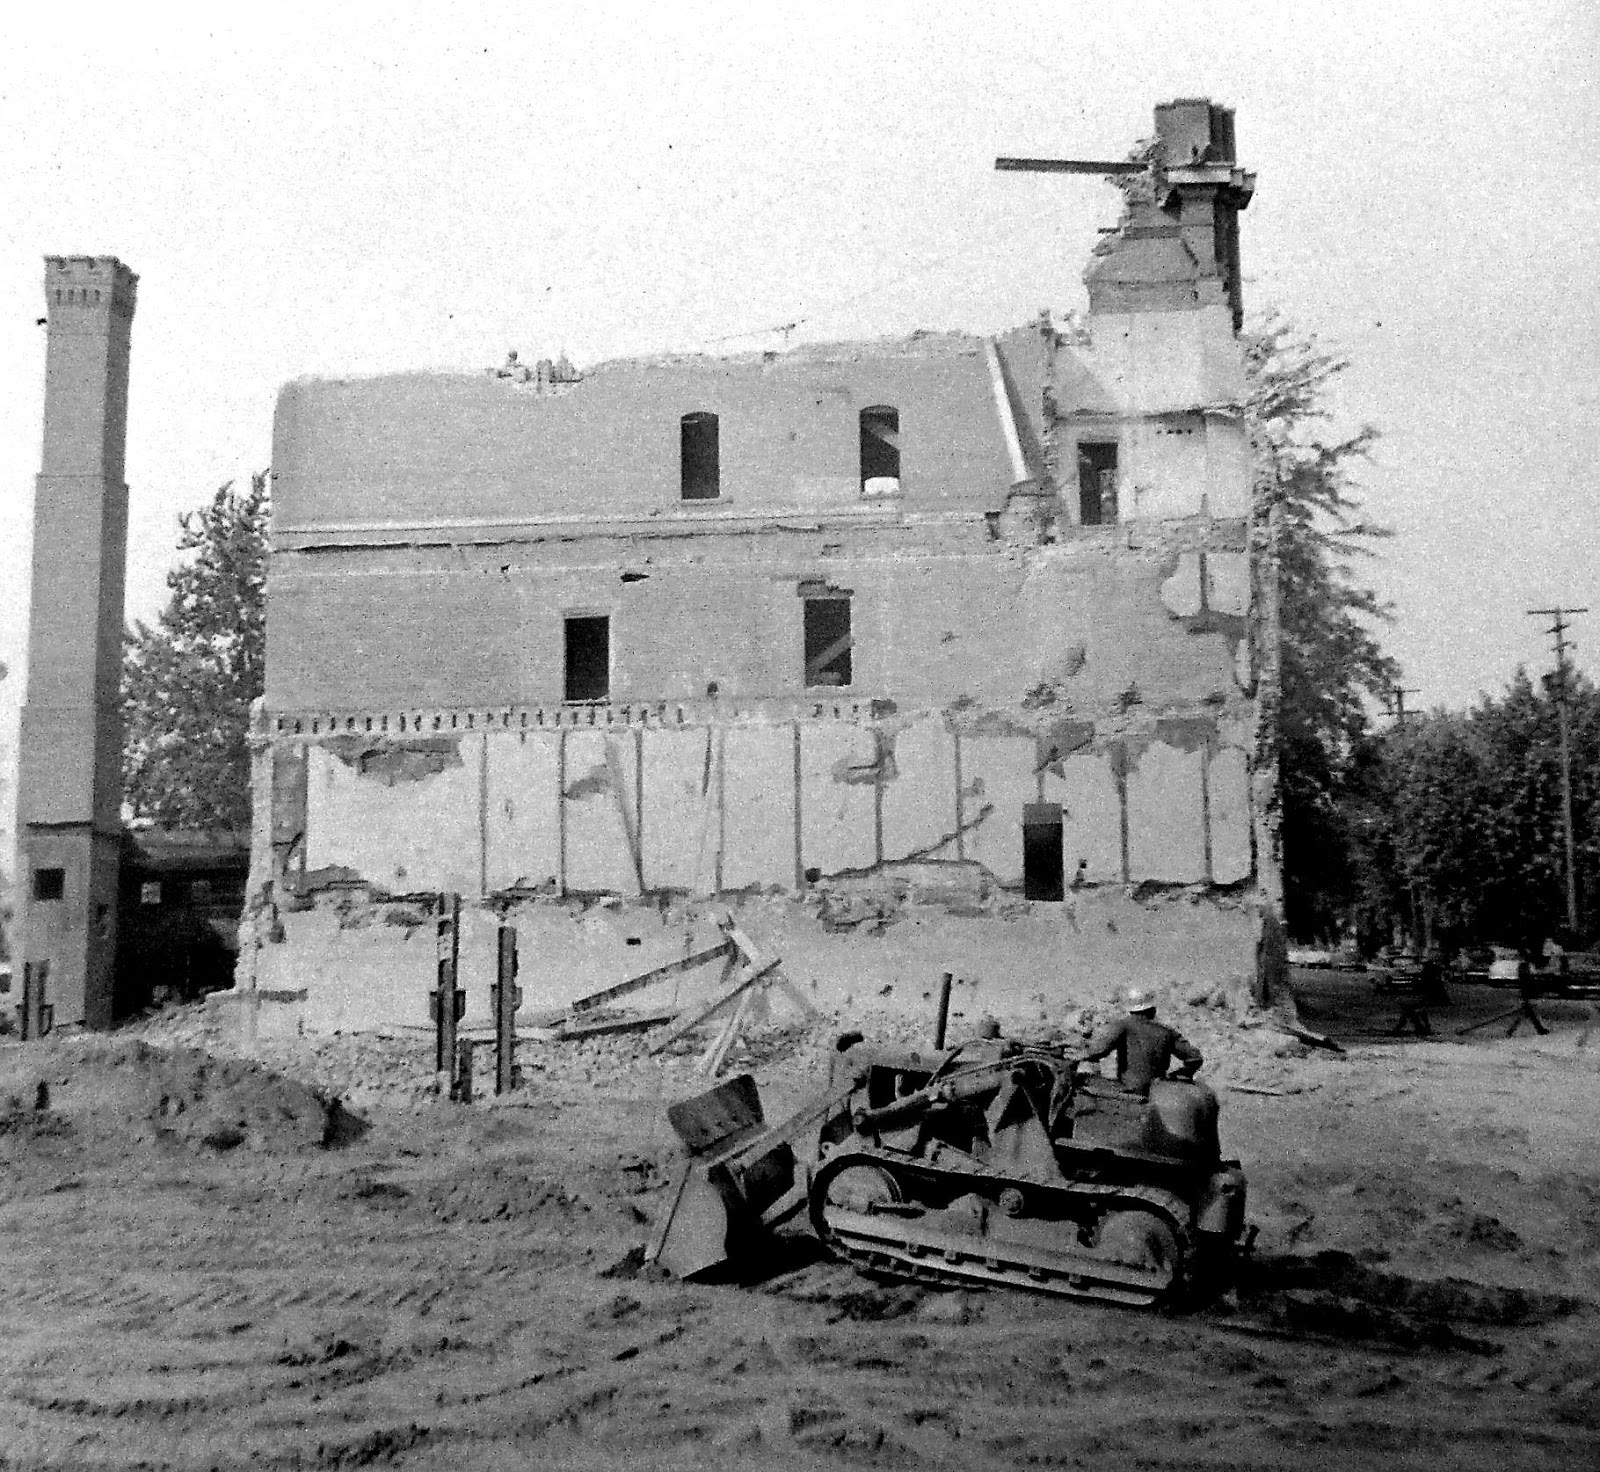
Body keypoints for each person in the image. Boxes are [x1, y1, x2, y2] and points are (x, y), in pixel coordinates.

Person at [1079, 987, 1203, 1097]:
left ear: (1130, 1009)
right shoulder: (1167, 1032)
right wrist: (1177, 1075)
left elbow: (1099, 1051)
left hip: (1130, 1089)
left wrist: (1078, 1056)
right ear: (1152, 1009)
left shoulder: (1123, 1025)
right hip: (1159, 1090)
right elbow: (1195, 1058)